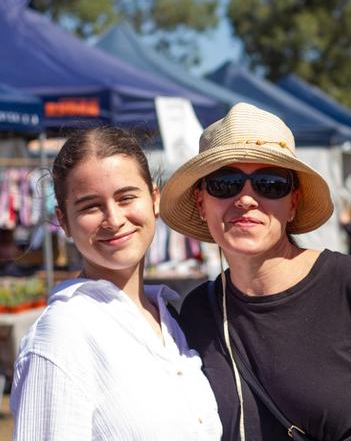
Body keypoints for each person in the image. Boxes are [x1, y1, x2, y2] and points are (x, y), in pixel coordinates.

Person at [160, 102, 351, 440]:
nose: (246, 199)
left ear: (293, 201)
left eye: (269, 183)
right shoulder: (198, 311)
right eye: (225, 183)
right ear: (200, 201)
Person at [10, 127, 222, 440]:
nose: (113, 218)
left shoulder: (170, 319)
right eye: (90, 206)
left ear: (154, 198)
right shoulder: (62, 336)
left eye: (126, 197)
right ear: (64, 220)